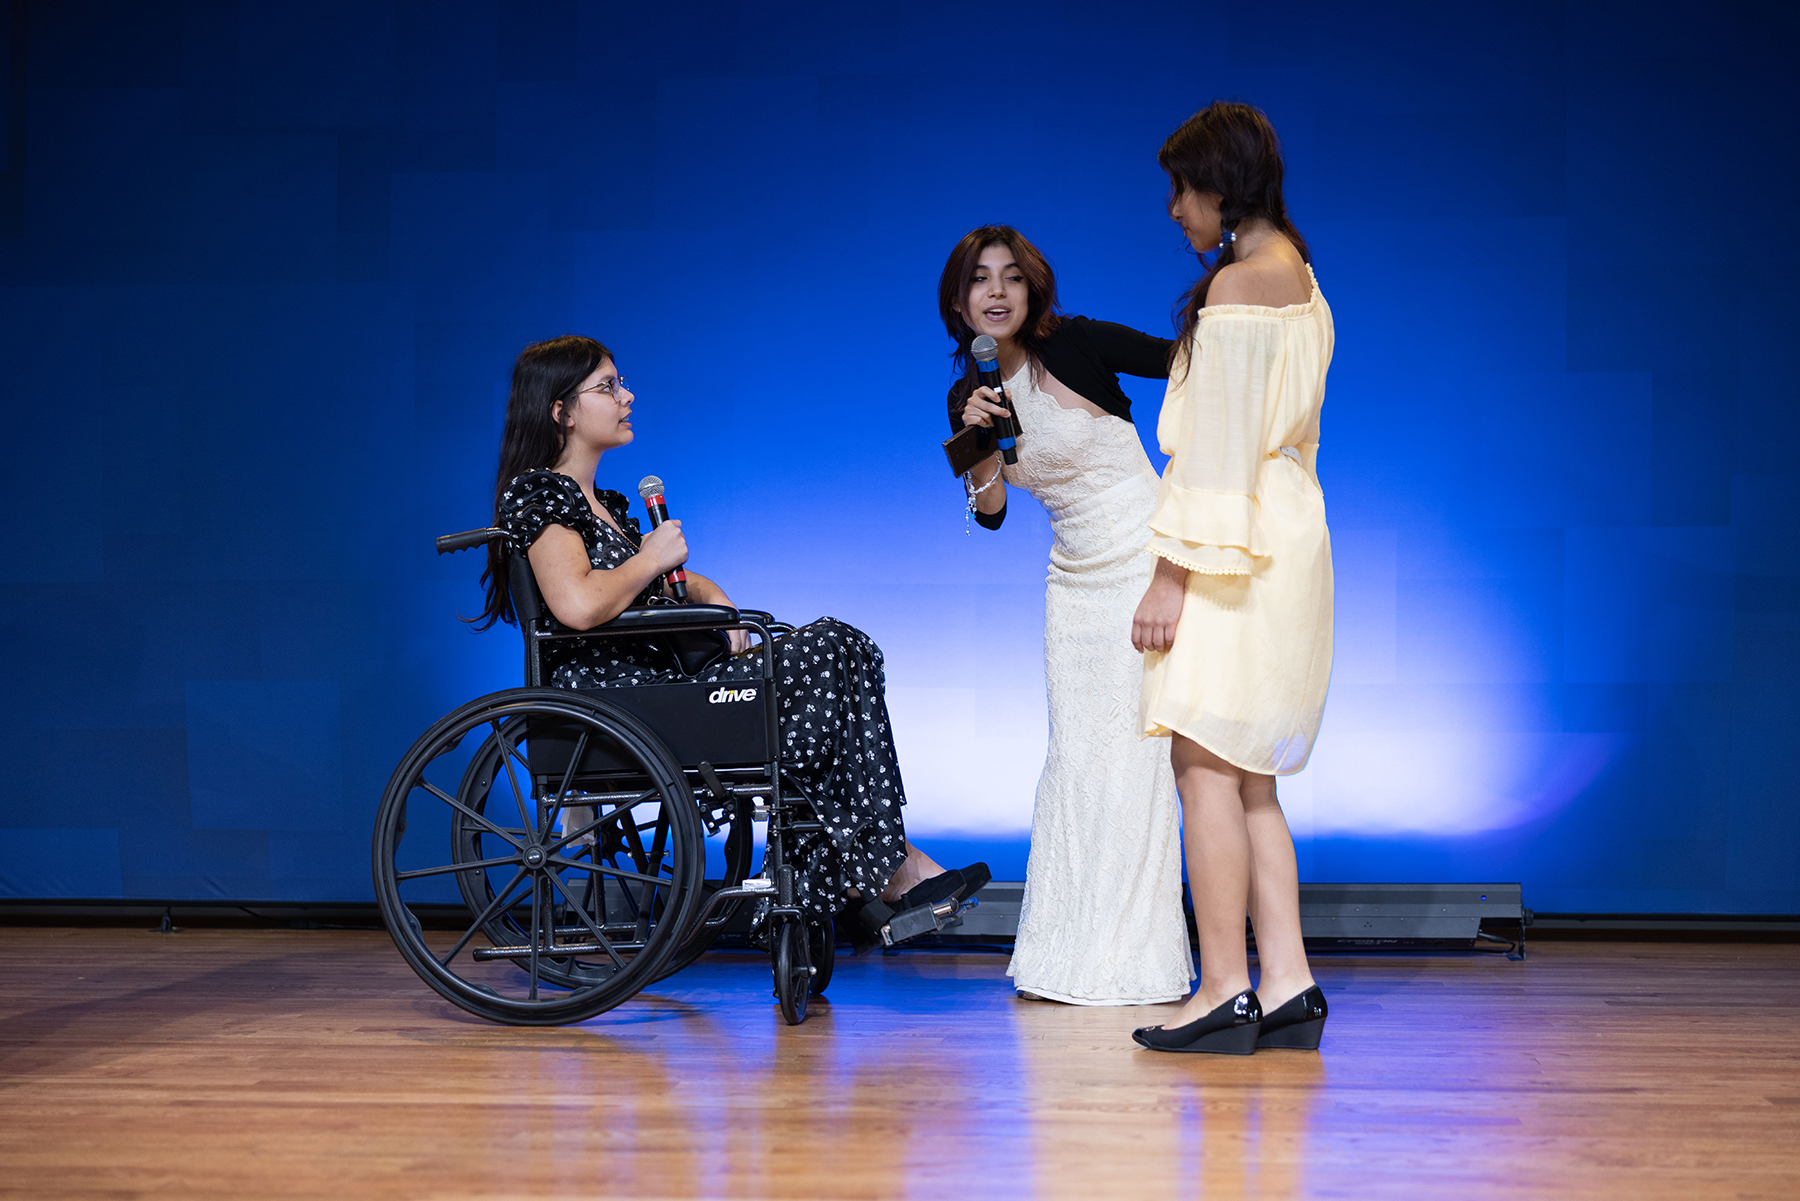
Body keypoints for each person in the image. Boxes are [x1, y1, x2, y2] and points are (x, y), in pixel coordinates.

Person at [472, 334, 986, 946]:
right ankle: (880, 869)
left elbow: (666, 581)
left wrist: (718, 603)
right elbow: (579, 604)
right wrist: (653, 558)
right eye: (608, 386)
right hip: (623, 700)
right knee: (827, 649)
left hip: (667, 686)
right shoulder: (542, 492)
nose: (627, 395)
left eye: (620, 381)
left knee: (842, 650)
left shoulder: (604, 503)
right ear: (561, 410)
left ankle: (854, 870)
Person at [942, 226, 1193, 1005]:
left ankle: (1140, 956)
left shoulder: (1079, 343)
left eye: (1011, 278)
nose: (996, 292)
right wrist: (979, 439)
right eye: (980, 280)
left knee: (1138, 759)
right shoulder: (966, 395)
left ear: (1033, 290)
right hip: (1073, 585)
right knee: (1079, 760)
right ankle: (1069, 954)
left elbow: (1185, 362)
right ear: (959, 301)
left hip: (1148, 562)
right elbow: (989, 513)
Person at [1129, 103, 1334, 1054]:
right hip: (1288, 532)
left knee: (1202, 763)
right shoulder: (1301, 276)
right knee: (1251, 779)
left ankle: (1220, 985)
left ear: (1224, 184)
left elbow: (1211, 460)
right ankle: (1286, 977)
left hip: (1231, 541)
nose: (1175, 208)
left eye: (1183, 187)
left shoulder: (1237, 290)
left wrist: (1169, 575)